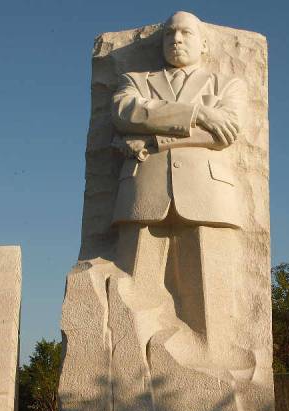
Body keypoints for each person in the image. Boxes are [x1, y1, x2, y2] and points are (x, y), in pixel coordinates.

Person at [110, 11, 249, 368]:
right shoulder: (135, 81)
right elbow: (125, 112)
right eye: (170, 34)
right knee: (133, 291)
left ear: (204, 44)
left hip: (207, 195)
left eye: (186, 33)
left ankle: (215, 367)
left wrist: (154, 139)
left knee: (211, 296)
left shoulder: (226, 84)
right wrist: (197, 114)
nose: (176, 40)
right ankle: (131, 370)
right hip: (144, 192)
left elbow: (225, 133)